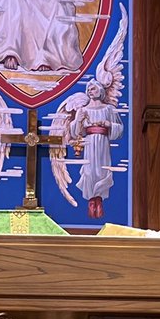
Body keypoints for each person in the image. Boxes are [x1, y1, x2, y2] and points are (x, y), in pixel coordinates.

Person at [71, 80, 123, 218]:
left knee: (102, 171)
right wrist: (79, 121)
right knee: (89, 171)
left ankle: (99, 200)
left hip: (102, 144)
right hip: (89, 143)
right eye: (88, 89)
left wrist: (108, 124)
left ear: (100, 90)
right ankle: (91, 202)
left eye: (93, 88)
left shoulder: (108, 109)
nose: (90, 91)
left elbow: (119, 128)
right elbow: (76, 132)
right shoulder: (83, 110)